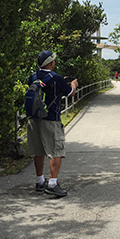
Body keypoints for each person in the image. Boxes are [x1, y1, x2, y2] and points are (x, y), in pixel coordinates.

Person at [27, 50, 78, 197]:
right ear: (50, 63)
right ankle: (52, 184)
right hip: (51, 120)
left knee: (39, 151)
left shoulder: (33, 77)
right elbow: (70, 93)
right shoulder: (56, 78)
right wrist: (73, 84)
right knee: (56, 151)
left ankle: (40, 181)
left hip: (34, 118)